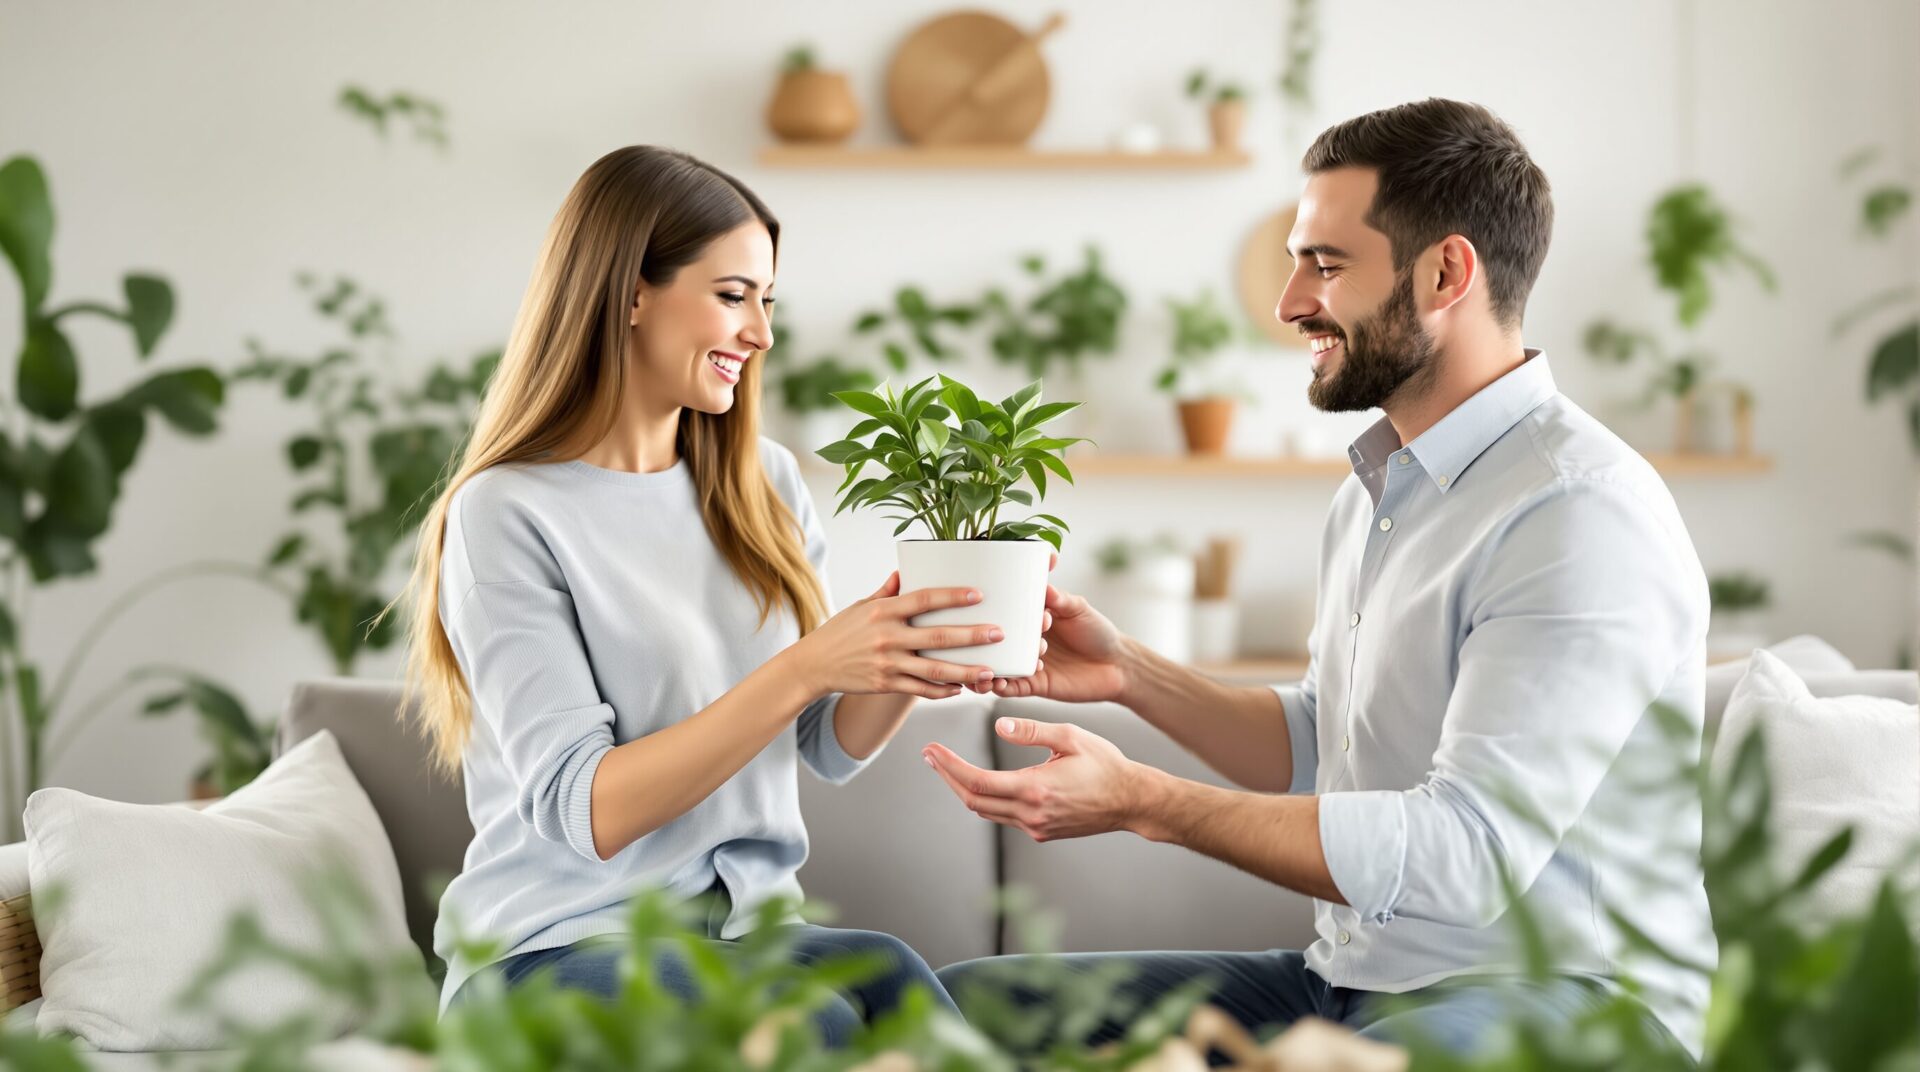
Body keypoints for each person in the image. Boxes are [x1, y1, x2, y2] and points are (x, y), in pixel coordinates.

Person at [926, 99, 1715, 1061]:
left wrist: (1149, 803)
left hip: (1566, 998)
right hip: (1353, 981)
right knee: (956, 1010)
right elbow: (1324, 743)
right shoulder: (1382, 488)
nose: (1290, 301)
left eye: (1326, 265)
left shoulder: (1577, 512)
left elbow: (1467, 856)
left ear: (1445, 273)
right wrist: (1131, 672)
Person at [390, 146, 1008, 1044]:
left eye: (767, 302)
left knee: (906, 995)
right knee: (811, 1028)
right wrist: (805, 666)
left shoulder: (765, 483)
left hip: (752, 936)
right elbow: (588, 809)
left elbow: (825, 746)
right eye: (732, 295)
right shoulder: (508, 511)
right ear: (630, 292)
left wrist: (908, 654)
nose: (759, 332)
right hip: (555, 952)